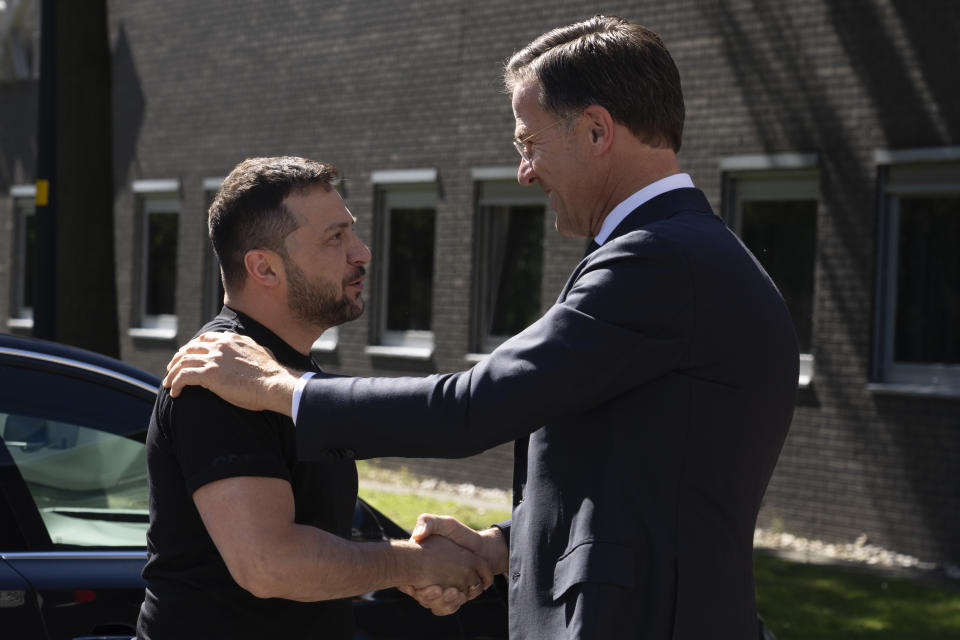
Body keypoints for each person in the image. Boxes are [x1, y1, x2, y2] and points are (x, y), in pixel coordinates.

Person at [163, 17, 799, 640]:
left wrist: (282, 389)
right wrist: (500, 547)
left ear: (598, 130)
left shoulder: (658, 260)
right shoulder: (675, 252)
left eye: (529, 142)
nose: (526, 171)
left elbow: (472, 407)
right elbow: (636, 484)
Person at [136, 156, 491, 640]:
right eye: (335, 238)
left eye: (353, 233)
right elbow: (269, 563)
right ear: (264, 267)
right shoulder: (218, 377)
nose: (362, 252)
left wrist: (407, 565)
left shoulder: (277, 371)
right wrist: (410, 563)